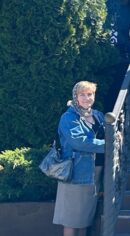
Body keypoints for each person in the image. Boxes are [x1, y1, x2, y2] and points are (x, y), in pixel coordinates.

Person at [53, 81, 106, 235]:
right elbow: (80, 142)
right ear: (75, 97)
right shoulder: (69, 117)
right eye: (82, 94)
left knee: (84, 219)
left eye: (90, 94)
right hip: (76, 172)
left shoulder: (98, 115)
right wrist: (108, 144)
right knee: (71, 220)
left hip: (96, 171)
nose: (86, 98)